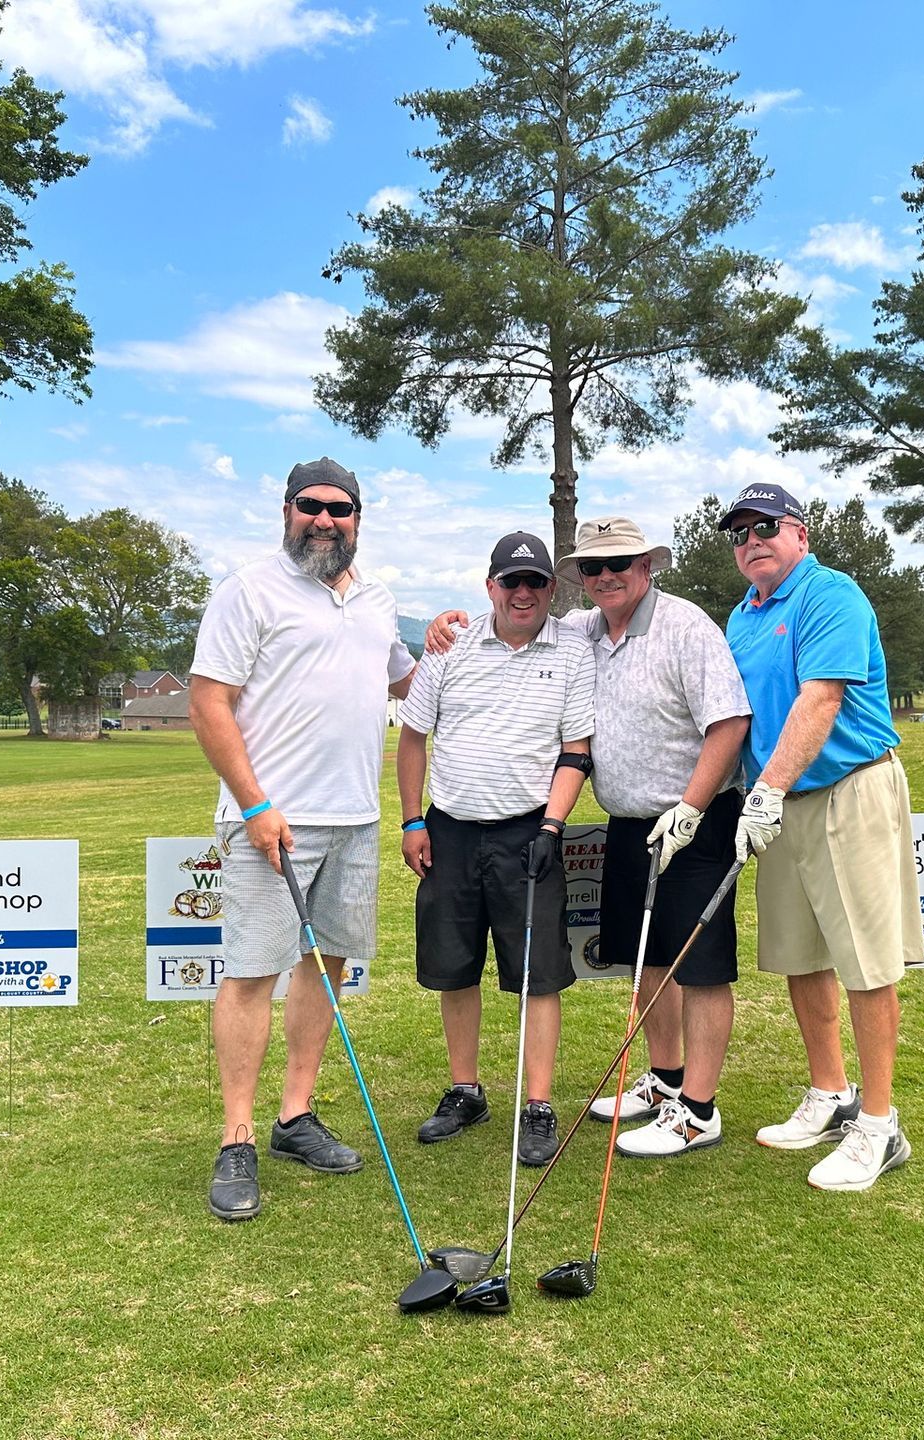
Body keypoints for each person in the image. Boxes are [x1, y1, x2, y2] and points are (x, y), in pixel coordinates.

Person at [424, 516, 751, 1155]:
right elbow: (515, 620)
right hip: (630, 824)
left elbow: (729, 722)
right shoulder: (582, 630)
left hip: (695, 819)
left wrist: (691, 806)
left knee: (702, 968)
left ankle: (700, 1110)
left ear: (646, 569)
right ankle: (665, 1080)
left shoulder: (687, 626)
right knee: (647, 959)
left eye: (618, 566)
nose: (605, 577)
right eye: (593, 569)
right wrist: (447, 622)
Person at [186, 458, 416, 1222]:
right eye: (311, 507)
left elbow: (404, 683)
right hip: (270, 822)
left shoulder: (379, 602)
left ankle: (294, 1117)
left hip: (356, 818)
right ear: (287, 510)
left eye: (340, 509)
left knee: (329, 966)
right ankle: (237, 1138)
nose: (325, 520)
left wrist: (451, 637)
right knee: (253, 972)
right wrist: (255, 805)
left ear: (358, 518)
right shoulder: (247, 590)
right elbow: (209, 701)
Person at [718, 482, 922, 1192]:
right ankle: (830, 1092)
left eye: (765, 526)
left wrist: (766, 790)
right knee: (801, 955)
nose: (752, 541)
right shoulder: (741, 619)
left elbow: (821, 699)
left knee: (865, 961)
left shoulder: (830, 594)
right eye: (739, 533)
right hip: (780, 799)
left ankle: (879, 1123)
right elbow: (734, 718)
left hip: (847, 786)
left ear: (799, 533)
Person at [396, 532, 596, 1167]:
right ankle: (466, 1090)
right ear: (490, 588)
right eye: (511, 581)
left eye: (535, 581)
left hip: (528, 831)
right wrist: (409, 821)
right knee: (453, 967)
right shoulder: (449, 645)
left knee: (537, 975)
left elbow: (576, 751)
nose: (523, 592)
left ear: (550, 589)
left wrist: (553, 826)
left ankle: (537, 1104)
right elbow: (412, 738)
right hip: (450, 828)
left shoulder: (571, 649)